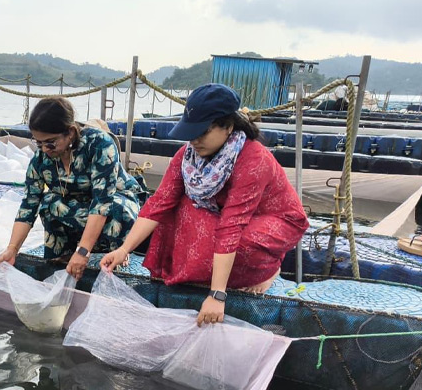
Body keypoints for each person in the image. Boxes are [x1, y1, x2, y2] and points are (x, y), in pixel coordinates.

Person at [100, 84, 309, 326]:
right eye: (191, 132)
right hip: (222, 213)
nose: (195, 140)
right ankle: (204, 273)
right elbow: (159, 202)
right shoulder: (187, 156)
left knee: (237, 242)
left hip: (275, 219)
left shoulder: (254, 160)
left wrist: (217, 295)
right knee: (175, 215)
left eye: (203, 132)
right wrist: (123, 250)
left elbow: (233, 224)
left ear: (228, 126)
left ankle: (267, 271)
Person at [0, 97, 143, 280]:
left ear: (70, 132)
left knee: (118, 209)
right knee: (49, 203)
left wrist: (83, 252)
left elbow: (101, 202)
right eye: (38, 143)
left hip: (113, 199)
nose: (45, 149)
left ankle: (118, 251)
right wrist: (13, 248)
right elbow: (29, 204)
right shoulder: (42, 157)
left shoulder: (99, 145)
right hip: (78, 206)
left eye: (50, 142)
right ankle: (62, 255)